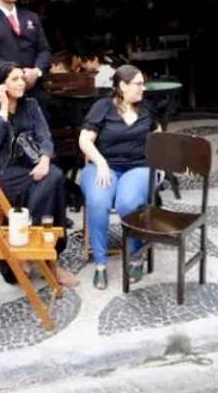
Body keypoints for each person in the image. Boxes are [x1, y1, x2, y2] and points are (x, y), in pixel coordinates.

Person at [0, 68, 79, 288]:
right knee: (50, 187)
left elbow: (45, 137)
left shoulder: (31, 105)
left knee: (54, 177)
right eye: (15, 79)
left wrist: (44, 159)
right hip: (3, 172)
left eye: (22, 78)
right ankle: (44, 256)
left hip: (31, 166)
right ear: (1, 84)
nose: (22, 83)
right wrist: (3, 108)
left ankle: (42, 251)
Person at [78, 65, 160, 289]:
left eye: (143, 84)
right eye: (138, 84)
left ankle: (136, 256)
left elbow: (160, 139)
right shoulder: (102, 107)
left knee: (127, 202)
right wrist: (100, 162)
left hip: (139, 168)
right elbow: (84, 140)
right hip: (105, 166)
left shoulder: (147, 109)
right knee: (98, 200)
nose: (143, 88)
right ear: (122, 86)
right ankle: (100, 264)